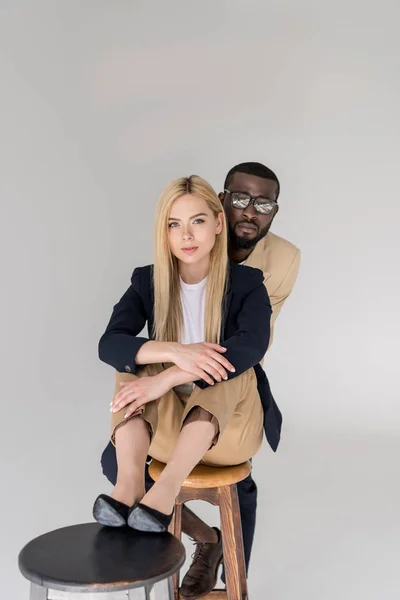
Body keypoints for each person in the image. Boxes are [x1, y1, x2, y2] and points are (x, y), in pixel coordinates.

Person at [100, 163, 301, 598]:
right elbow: (109, 343)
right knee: (132, 362)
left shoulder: (250, 283)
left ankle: (166, 490)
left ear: (216, 225)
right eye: (174, 225)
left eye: (196, 222)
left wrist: (170, 374)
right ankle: (131, 487)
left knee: (224, 362)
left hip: (229, 427)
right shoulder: (147, 280)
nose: (186, 235)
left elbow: (250, 348)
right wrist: (171, 351)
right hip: (168, 423)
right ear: (164, 232)